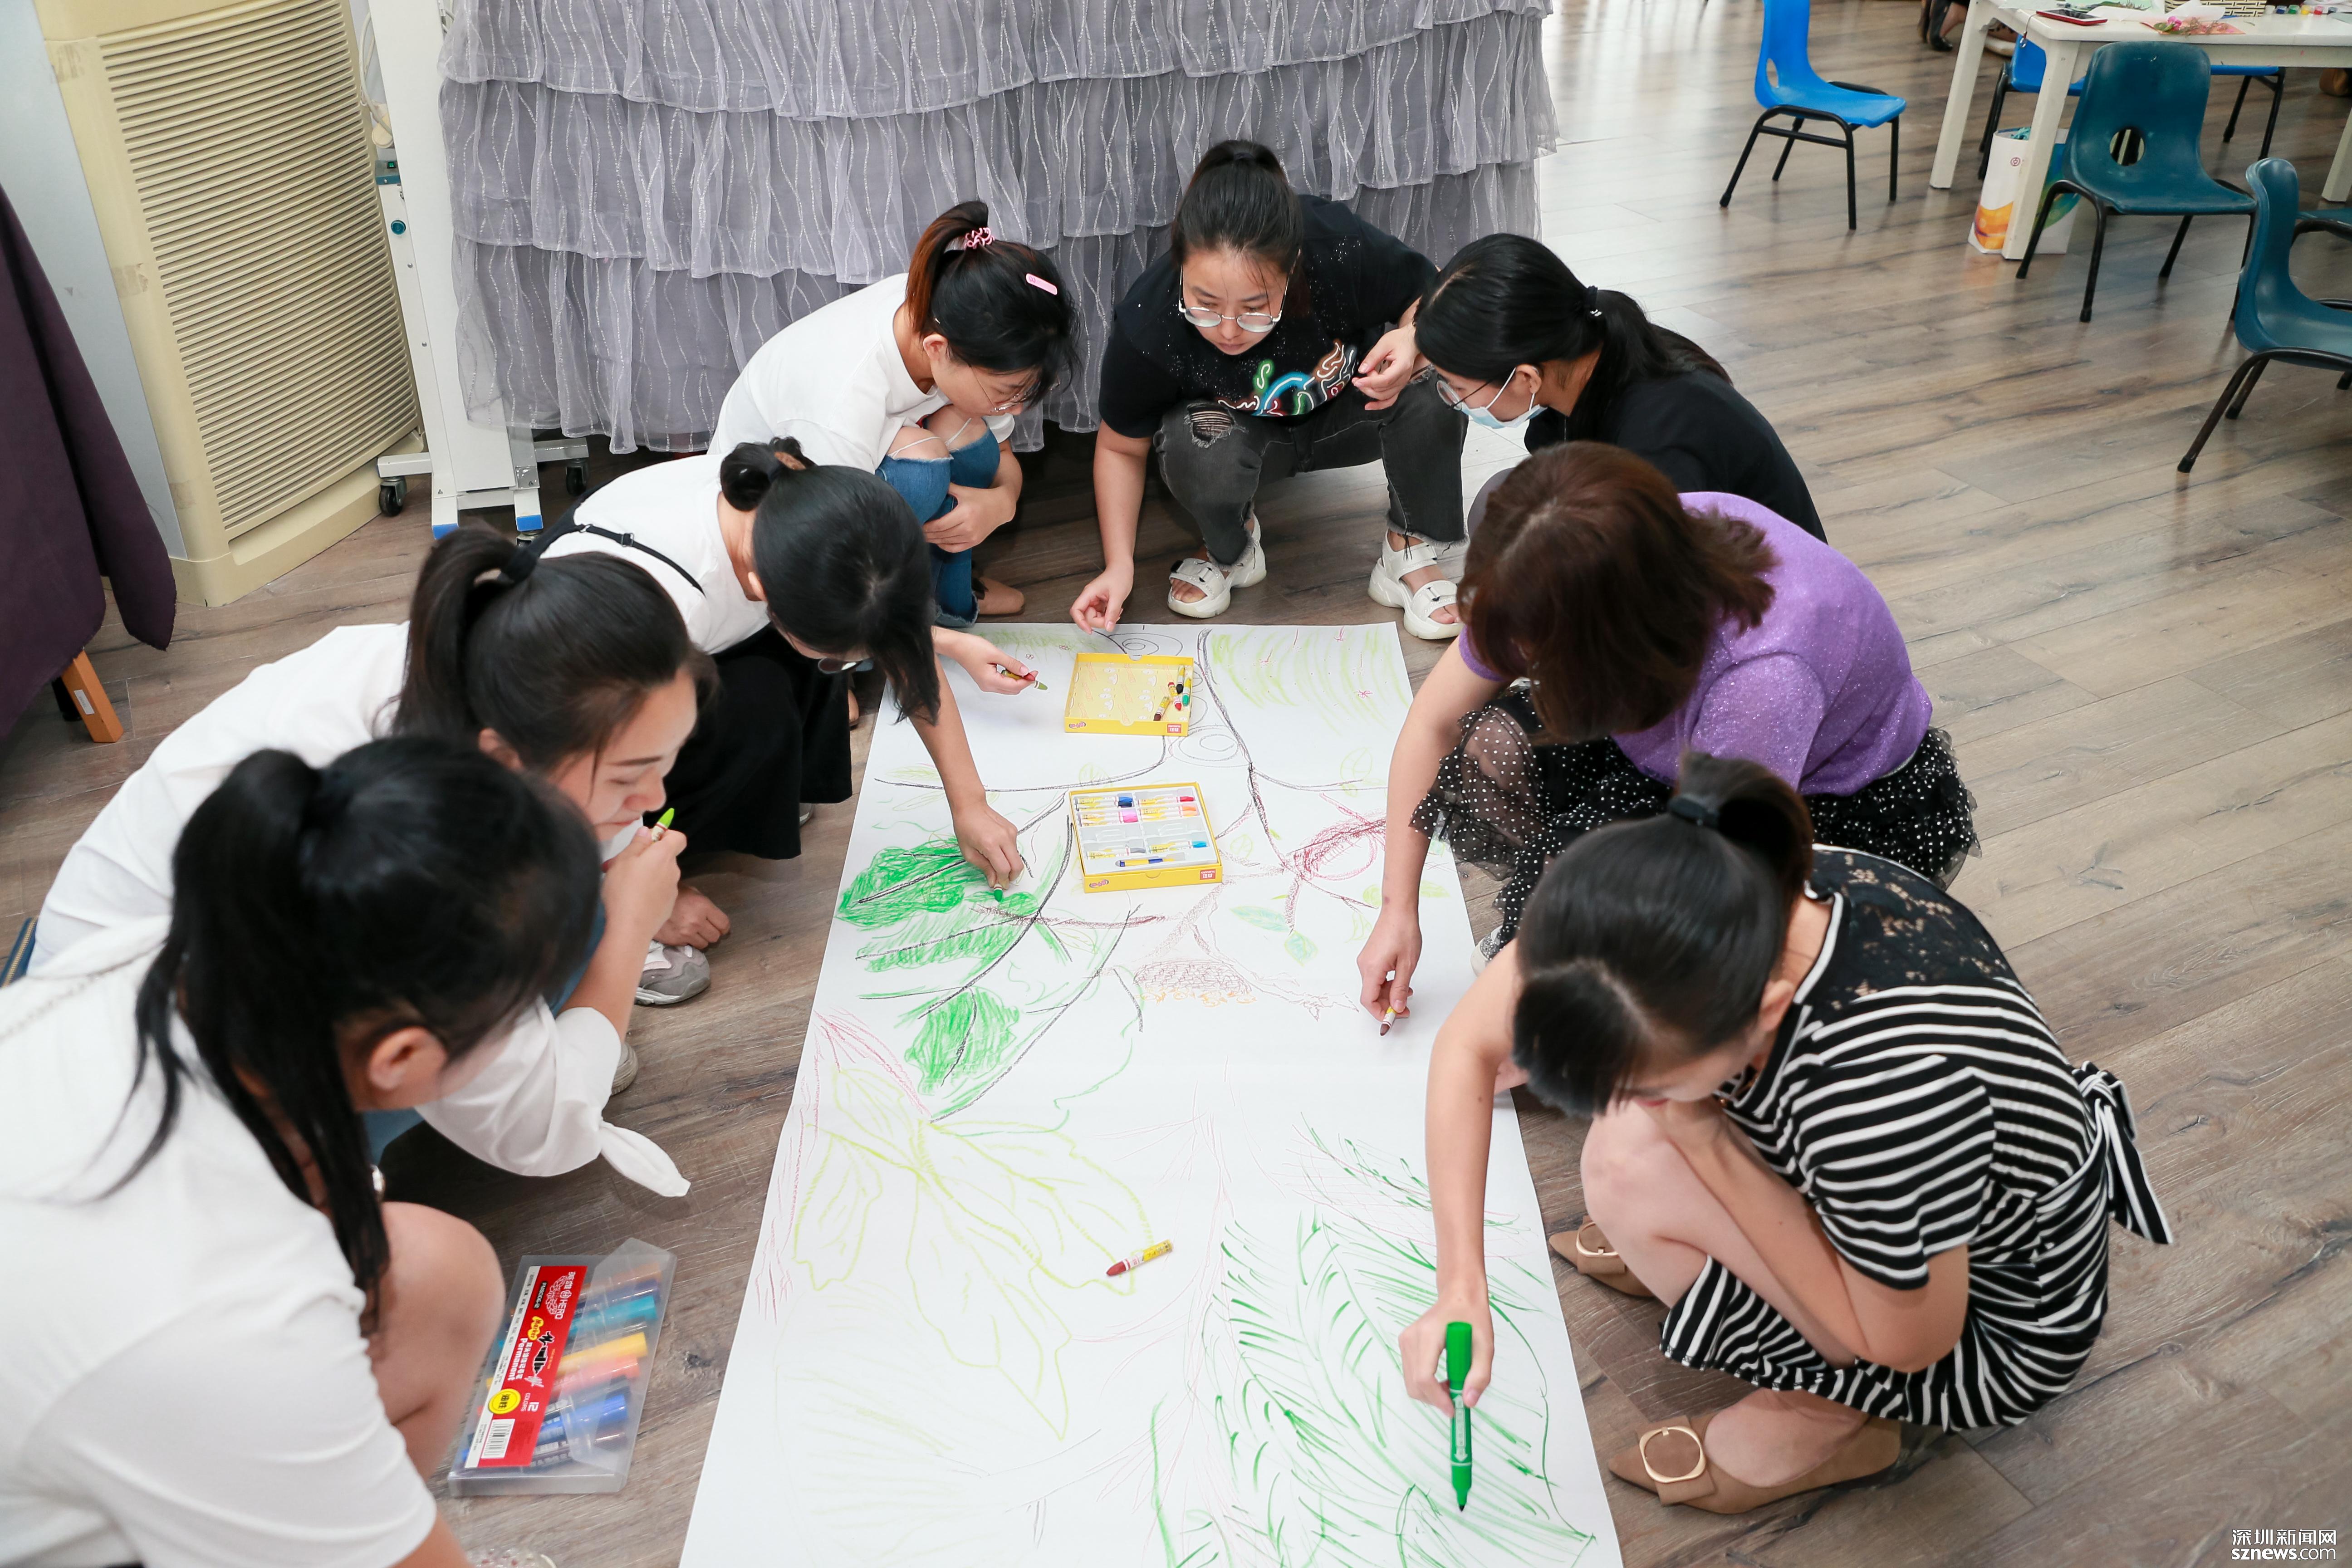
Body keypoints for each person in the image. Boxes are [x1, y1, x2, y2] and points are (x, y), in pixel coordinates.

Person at [1397, 754, 2170, 1513]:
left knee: (1626, 1164)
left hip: (1984, 1327)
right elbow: (1468, 1045)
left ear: (1765, 1014)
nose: (1620, 1100)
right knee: (1635, 1146)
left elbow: (1903, 1343)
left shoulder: (1881, 1098)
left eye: (1651, 1083)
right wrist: (1461, 1286)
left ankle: (1828, 1419)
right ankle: (1703, 1232)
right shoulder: (1716, 887)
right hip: (1892, 1204)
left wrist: (1700, 1139)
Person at [1, 739, 609, 1567]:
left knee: (440, 1274)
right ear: (400, 1058)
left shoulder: (173, 954)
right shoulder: (222, 1307)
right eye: (516, 1021)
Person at [33, 529, 709, 1186]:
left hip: (112, 978)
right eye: (628, 777)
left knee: (585, 890)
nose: (655, 800)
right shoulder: (421, 850)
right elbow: (543, 1136)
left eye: (667, 761)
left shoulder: (471, 663)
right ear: (503, 758)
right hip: (136, 1084)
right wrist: (628, 931)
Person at [1356, 443, 1975, 1021]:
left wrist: (1554, 971)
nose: (1521, 666)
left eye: (1540, 656)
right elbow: (1434, 722)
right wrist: (1397, 910)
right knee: (1492, 751)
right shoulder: (1589, 555)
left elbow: (1711, 886)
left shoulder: (1763, 678)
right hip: (1675, 723)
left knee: (1616, 996)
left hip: (1812, 803)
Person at [542, 439, 1031, 887]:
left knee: (797, 672)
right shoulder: (655, 612)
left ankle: (758, 793)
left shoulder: (801, 509)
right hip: (573, 696)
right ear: (761, 595)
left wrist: (970, 804)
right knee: (758, 708)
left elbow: (895, 641)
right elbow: (578, 770)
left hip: (659, 639)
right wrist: (633, 885)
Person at [1072, 140, 1470, 637]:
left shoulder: (1335, 245)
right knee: (1193, 440)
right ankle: (1233, 549)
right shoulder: (1149, 319)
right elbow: (1119, 449)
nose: (1229, 329)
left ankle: (1409, 546)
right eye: (1205, 304)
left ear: (1294, 265)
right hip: (1242, 441)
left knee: (1442, 368)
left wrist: (1413, 338)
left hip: (1358, 413)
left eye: (1255, 307)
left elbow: (1432, 292)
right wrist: (1119, 566)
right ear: (1180, 265)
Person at [708, 200, 1072, 626]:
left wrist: (1001, 504)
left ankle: (946, 592)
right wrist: (915, 649)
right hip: (777, 526)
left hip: (853, 475)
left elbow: (1003, 454)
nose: (1020, 407)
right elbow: (827, 549)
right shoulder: (844, 398)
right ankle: (906, 610)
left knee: (971, 437)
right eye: (1008, 393)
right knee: (923, 470)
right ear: (937, 349)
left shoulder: (950, 310)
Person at [1411, 233, 1825, 542]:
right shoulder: (1583, 353)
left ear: (1525, 378)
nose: (1455, 399)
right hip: (1683, 558)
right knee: (1503, 507)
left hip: (1766, 604)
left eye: (1457, 388)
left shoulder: (1659, 438)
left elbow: (1668, 594)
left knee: (1519, 533)